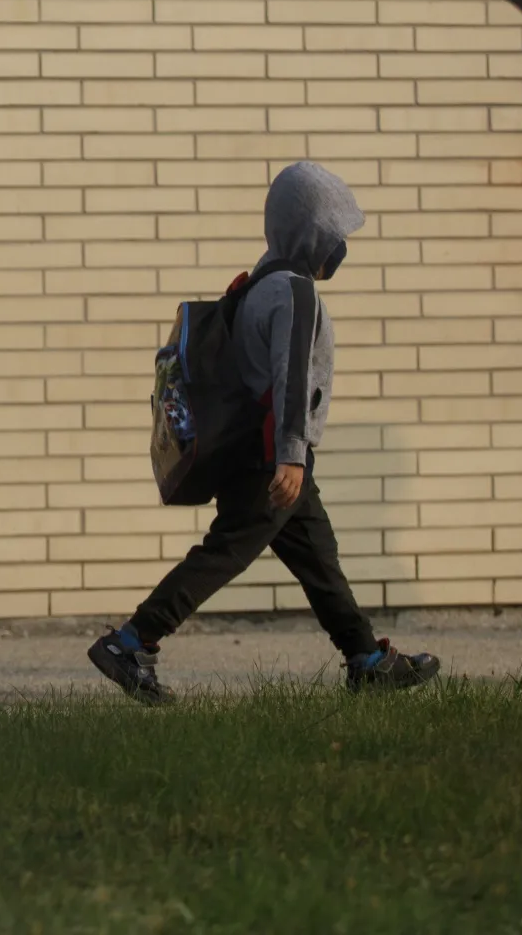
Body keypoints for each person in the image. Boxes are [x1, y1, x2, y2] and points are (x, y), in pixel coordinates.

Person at [90, 162, 440, 704]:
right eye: (337, 236)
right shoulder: (295, 292)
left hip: (261, 452)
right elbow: (291, 379)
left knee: (319, 556)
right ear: (313, 234)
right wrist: (292, 458)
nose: (341, 248)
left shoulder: (257, 282)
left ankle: (366, 658)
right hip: (271, 460)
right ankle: (131, 641)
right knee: (224, 553)